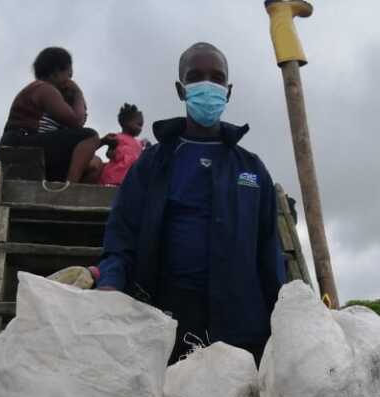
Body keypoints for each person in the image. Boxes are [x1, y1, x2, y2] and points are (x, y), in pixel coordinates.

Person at [95, 42, 285, 364]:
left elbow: (269, 250)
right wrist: (110, 284)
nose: (207, 85)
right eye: (196, 77)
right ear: (181, 89)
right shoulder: (152, 163)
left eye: (217, 77)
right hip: (167, 325)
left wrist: (284, 315)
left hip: (242, 328)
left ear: (228, 90)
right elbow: (122, 235)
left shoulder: (252, 169)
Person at [0, 47, 107, 183]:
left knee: (95, 163)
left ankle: (67, 197)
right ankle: (69, 188)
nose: (70, 80)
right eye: (69, 74)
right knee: (90, 135)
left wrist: (102, 142)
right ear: (56, 72)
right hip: (21, 143)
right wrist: (78, 92)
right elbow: (77, 122)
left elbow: (75, 137)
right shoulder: (44, 88)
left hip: (32, 147)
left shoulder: (48, 95)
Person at [99, 103, 147, 187]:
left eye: (141, 126)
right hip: (116, 174)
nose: (140, 129)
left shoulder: (138, 142)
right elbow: (109, 153)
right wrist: (113, 153)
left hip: (132, 176)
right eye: (138, 124)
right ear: (126, 122)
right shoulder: (117, 137)